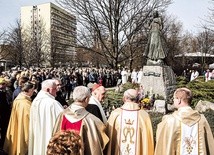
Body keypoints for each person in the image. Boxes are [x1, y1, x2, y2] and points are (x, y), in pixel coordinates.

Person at [155, 88, 214, 155]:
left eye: (174, 98)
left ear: (179, 100)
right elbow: (209, 145)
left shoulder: (170, 121)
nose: (173, 101)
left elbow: (162, 143)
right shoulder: (202, 120)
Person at [52, 86, 109, 155]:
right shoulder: (91, 120)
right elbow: (98, 144)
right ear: (86, 99)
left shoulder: (62, 115)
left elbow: (55, 137)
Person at [105, 89, 154, 155]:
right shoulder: (144, 116)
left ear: (124, 98)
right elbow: (148, 141)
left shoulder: (115, 114)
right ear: (138, 99)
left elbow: (108, 136)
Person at [28, 79, 63, 155]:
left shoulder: (35, 101)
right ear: (48, 90)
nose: (56, 90)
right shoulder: (53, 103)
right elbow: (62, 119)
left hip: (38, 134)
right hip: (49, 133)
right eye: (54, 88)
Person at [3, 82, 35, 155]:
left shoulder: (19, 99)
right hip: (23, 128)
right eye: (33, 89)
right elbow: (30, 118)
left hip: (18, 124)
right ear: (28, 90)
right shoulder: (25, 103)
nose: (34, 91)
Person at [0, 78, 11, 149]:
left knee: (5, 131)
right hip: (1, 116)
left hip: (6, 116)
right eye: (0, 84)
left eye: (3, 84)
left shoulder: (8, 91)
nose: (1, 86)